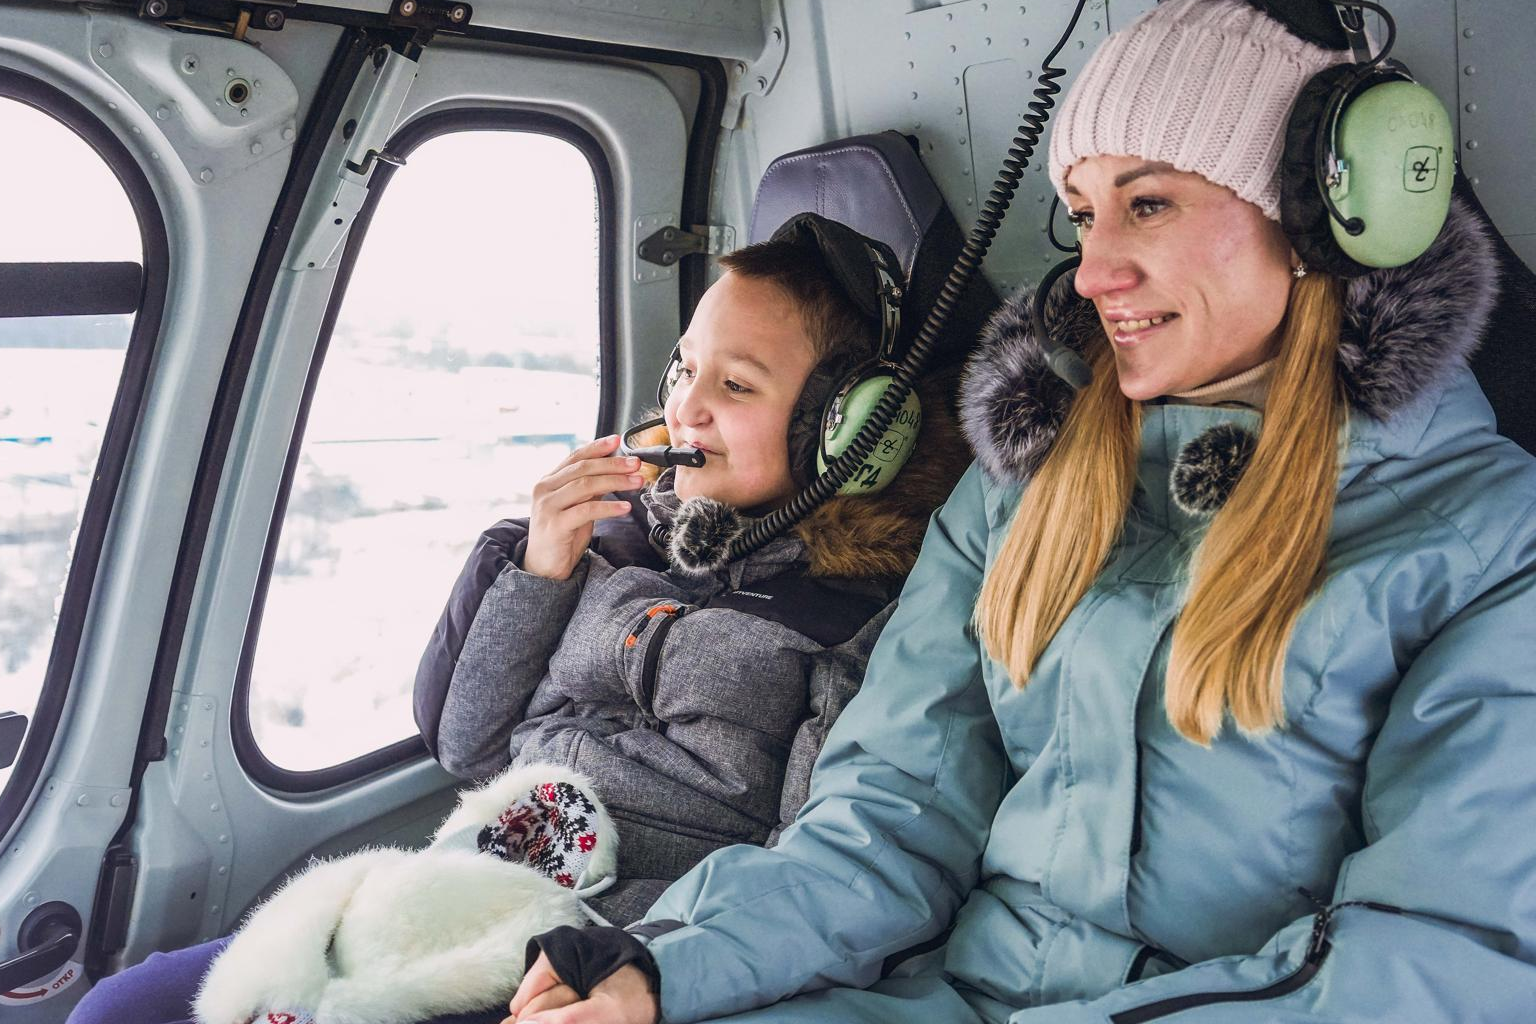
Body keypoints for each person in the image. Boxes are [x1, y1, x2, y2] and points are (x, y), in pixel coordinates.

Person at [505, 3, 1536, 1022]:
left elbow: (1440, 950)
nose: (1094, 272)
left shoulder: (1491, 542)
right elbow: (889, 810)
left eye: (1150, 205)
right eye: (1084, 214)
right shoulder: (1025, 479)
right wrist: (667, 966)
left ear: (1319, 217)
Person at [64, 215, 972, 1024]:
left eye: (735, 387)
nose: (684, 408)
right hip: (462, 885)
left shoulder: (855, 621)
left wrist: (627, 967)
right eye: (684, 367)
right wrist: (545, 563)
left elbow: (807, 871)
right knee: (120, 1007)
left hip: (591, 948)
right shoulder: (627, 541)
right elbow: (467, 745)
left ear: (848, 431)